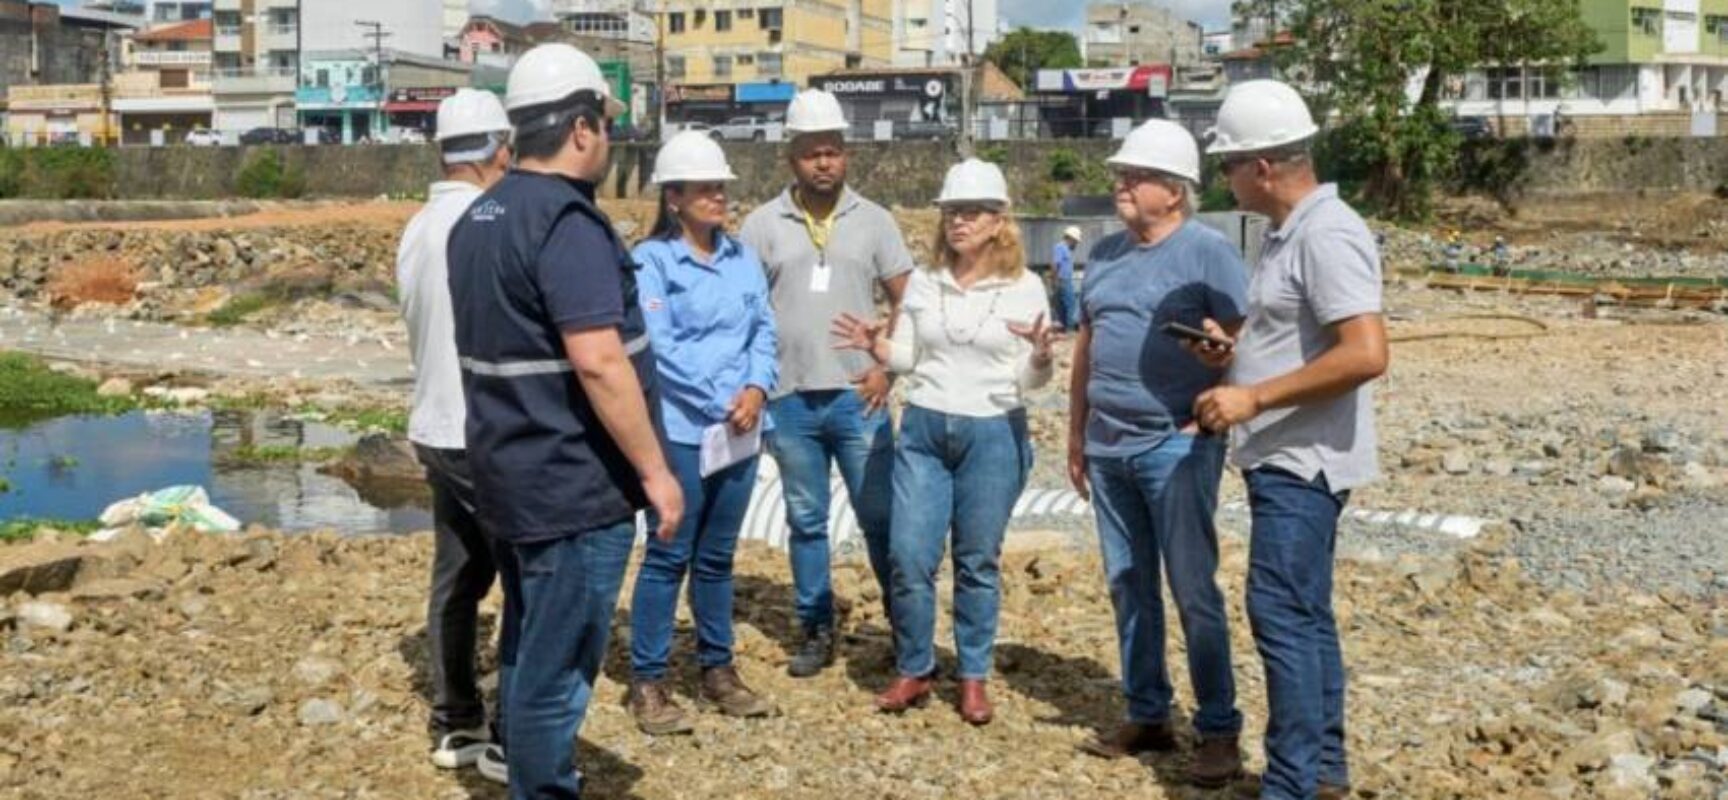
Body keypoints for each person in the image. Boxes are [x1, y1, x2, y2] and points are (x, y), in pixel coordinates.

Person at [446, 43, 683, 800]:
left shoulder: (477, 218)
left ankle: (522, 764)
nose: (608, 141)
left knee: (528, 636)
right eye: (605, 127)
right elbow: (600, 362)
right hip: (573, 487)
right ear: (582, 129)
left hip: (509, 475)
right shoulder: (567, 224)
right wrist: (655, 472)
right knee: (560, 663)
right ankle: (542, 787)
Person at [1192, 79, 1390, 800]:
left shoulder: (1328, 232)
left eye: (1229, 166)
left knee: (1279, 613)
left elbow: (1366, 352)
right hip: (1290, 456)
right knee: (1304, 613)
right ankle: (1322, 770)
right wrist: (1237, 354)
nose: (1226, 179)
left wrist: (1253, 395)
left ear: (1263, 167)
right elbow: (1299, 336)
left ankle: (1291, 782)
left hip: (1301, 461)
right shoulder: (1291, 233)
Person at [831, 158, 1053, 726]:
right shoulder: (927, 283)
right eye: (952, 212)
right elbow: (909, 357)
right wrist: (876, 347)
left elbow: (1029, 384)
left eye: (970, 212)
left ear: (998, 221)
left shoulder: (1026, 288)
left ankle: (973, 675)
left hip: (993, 428)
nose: (958, 222)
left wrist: (1041, 358)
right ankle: (915, 666)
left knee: (977, 559)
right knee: (909, 555)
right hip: (926, 426)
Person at [1064, 119, 1249, 788]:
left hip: (1177, 443)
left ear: (1173, 191)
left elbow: (1241, 344)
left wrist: (1214, 410)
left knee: (1193, 589)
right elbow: (1086, 345)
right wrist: (1075, 431)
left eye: (1135, 175)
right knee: (1127, 583)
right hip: (1108, 445)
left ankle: (1219, 730)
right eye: (1122, 172)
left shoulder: (1209, 253)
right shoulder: (1107, 254)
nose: (1121, 181)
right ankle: (1147, 711)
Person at [738, 88, 914, 678]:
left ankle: (906, 629)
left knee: (880, 517)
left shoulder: (876, 222)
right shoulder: (763, 225)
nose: (823, 162)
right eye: (812, 152)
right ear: (791, 157)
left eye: (833, 151)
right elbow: (745, 310)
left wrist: (887, 365)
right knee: (805, 520)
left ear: (847, 156)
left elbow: (909, 299)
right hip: (789, 399)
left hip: (857, 396)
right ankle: (816, 628)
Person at [625, 131, 780, 735]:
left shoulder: (742, 258)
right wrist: (723, 400)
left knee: (717, 558)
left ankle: (718, 670)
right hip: (684, 432)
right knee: (668, 555)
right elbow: (658, 352)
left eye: (722, 188)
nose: (720, 197)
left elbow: (763, 329)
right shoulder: (652, 263)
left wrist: (757, 389)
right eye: (707, 189)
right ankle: (649, 681)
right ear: (674, 198)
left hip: (741, 430)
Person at [395, 88, 516, 783]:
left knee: (459, 576)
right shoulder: (491, 220)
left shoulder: (416, 225)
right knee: (527, 581)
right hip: (487, 431)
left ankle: (454, 721)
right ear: (499, 150)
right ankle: (506, 736)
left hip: (433, 427)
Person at [1052, 226, 1082, 331]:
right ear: (1070, 238)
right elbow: (1056, 264)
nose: (1076, 244)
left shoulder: (1066, 249)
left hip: (1065, 280)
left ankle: (1065, 328)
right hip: (1062, 280)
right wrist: (1055, 280)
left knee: (1065, 305)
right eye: (1076, 241)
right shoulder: (1060, 247)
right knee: (1071, 304)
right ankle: (1070, 329)